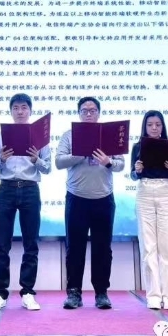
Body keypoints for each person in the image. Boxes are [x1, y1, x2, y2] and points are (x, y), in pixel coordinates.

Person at [55, 96, 124, 309]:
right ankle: (74, 293)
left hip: (104, 199)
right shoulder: (69, 135)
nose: (88, 114)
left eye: (92, 110)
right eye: (84, 111)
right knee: (74, 248)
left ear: (98, 113)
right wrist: (79, 154)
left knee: (102, 248)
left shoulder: (110, 135)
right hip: (76, 198)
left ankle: (101, 292)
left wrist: (108, 161)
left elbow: (121, 164)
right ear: (79, 114)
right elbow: (58, 161)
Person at [0, 93, 51, 311]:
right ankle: (0, 292)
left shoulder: (40, 137)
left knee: (31, 243)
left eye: (24, 107)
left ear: (30, 110)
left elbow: (48, 168)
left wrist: (36, 159)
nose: (20, 111)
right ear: (11, 111)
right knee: (2, 243)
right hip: (6, 188)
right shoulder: (0, 135)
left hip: (30, 189)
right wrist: (1, 159)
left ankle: (28, 292)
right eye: (16, 108)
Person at [130, 110, 168, 310]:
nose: (154, 128)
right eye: (150, 124)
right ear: (145, 126)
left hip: (165, 191)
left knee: (166, 245)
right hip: (145, 191)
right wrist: (137, 170)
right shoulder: (138, 146)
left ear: (162, 126)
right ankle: (153, 294)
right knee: (148, 245)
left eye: (158, 124)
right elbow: (133, 175)